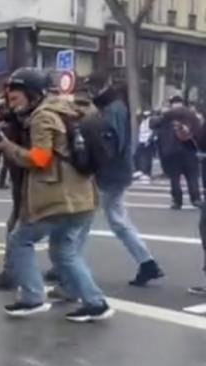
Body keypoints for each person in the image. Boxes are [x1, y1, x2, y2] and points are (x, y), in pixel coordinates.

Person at [0, 68, 114, 322]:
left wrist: (7, 147)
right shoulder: (69, 110)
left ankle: (32, 297)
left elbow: (40, 158)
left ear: (32, 94)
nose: (11, 105)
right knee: (63, 252)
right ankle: (95, 303)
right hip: (82, 196)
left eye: (15, 99)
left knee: (19, 241)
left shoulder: (42, 117)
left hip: (57, 198)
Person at [75, 73, 164, 287]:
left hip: (109, 173)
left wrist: (91, 161)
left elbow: (109, 146)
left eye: (93, 88)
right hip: (117, 172)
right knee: (117, 219)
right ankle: (147, 262)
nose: (91, 92)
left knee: (82, 220)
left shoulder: (112, 110)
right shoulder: (116, 107)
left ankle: (68, 266)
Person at [0, 94, 27, 292]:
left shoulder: (34, 120)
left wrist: (8, 141)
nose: (10, 105)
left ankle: (24, 286)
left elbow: (41, 157)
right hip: (22, 183)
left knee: (18, 234)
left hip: (36, 184)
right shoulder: (14, 122)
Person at [151, 95, 202, 209]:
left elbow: (152, 124)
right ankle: (196, 198)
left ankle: (177, 201)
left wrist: (160, 113)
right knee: (192, 176)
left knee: (175, 178)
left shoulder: (166, 115)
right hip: (189, 150)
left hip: (171, 151)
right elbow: (199, 131)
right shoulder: (191, 115)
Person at [133, 111, 155, 182]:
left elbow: (153, 132)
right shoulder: (142, 122)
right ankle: (140, 170)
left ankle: (147, 173)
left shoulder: (151, 121)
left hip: (147, 142)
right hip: (141, 141)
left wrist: (149, 140)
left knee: (148, 158)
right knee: (137, 156)